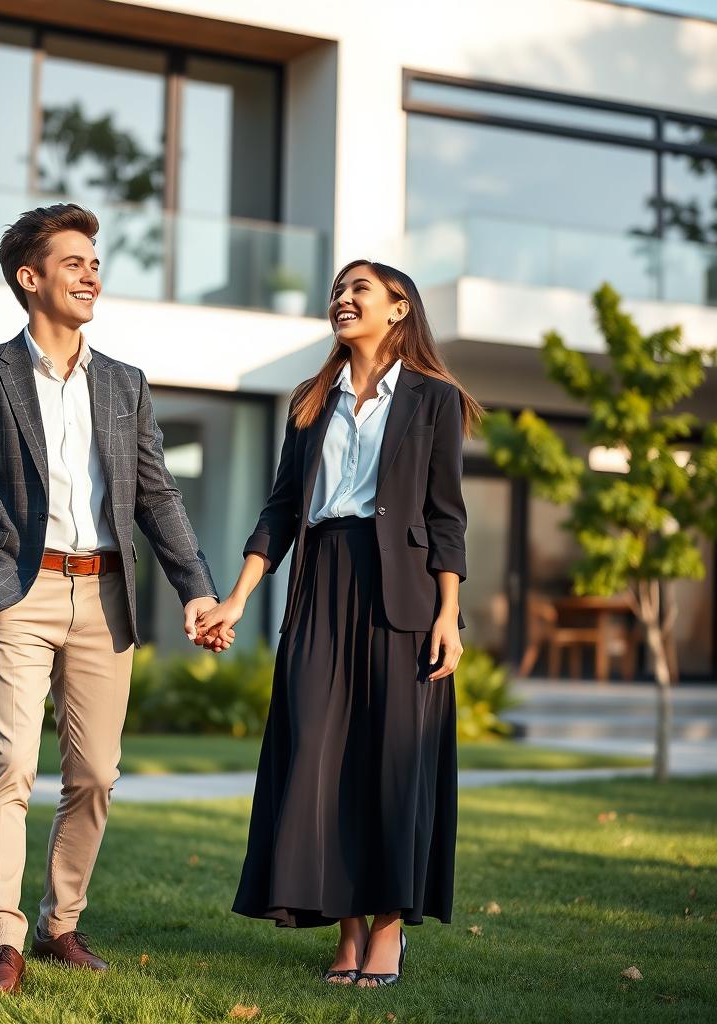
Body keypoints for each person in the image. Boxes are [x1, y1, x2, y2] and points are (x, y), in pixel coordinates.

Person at [0, 203, 229, 995]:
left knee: (93, 773)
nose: (92, 272)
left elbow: (158, 499)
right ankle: (2, 938)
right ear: (31, 279)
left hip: (106, 595)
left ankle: (63, 924)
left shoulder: (124, 384)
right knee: (12, 763)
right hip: (16, 593)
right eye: (74, 261)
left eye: (95, 261)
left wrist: (196, 588)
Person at [196, 259, 481, 988]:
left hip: (405, 594)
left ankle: (387, 932)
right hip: (320, 583)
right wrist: (236, 598)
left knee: (392, 761)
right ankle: (346, 933)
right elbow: (281, 511)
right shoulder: (310, 398)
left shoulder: (434, 400)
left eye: (359, 289)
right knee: (320, 756)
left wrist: (450, 614)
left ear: (399, 310)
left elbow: (447, 518)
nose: (342, 298)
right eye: (338, 290)